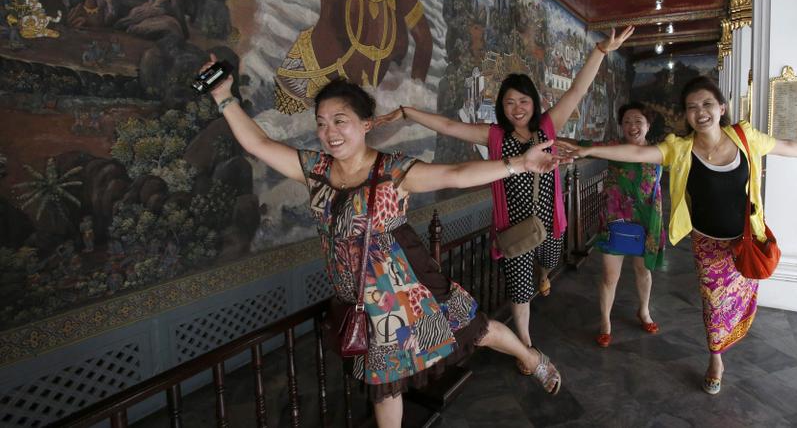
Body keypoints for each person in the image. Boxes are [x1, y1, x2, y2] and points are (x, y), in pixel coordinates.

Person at [204, 57, 562, 428]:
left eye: (340, 121)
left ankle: (532, 358)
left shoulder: (393, 171)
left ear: (365, 125)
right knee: (385, 385)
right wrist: (223, 96)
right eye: (322, 124)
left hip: (412, 284)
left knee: (477, 329)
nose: (330, 132)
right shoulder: (316, 170)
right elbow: (258, 143)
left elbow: (456, 174)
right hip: (363, 297)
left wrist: (520, 164)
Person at [556, 76, 797, 395]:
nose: (700, 112)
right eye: (691, 107)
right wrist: (582, 150)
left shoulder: (745, 137)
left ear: (721, 108)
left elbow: (785, 146)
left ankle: (722, 341)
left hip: (744, 238)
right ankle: (715, 358)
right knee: (713, 303)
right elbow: (636, 154)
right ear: (685, 116)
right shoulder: (680, 148)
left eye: (707, 104)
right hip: (707, 243)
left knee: (740, 299)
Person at [375, 26, 634, 359]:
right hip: (512, 229)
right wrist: (409, 112)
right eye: (509, 102)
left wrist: (599, 51)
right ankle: (525, 343)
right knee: (520, 289)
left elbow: (576, 92)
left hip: (548, 223)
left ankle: (544, 273)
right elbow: (452, 127)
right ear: (501, 106)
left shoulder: (547, 128)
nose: (517, 107)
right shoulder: (494, 135)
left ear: (534, 102)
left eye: (523, 100)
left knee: (551, 261)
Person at [591, 102, 665, 348]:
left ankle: (644, 311)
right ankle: (605, 322)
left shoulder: (659, 151)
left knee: (644, 271)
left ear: (647, 124)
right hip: (615, 219)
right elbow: (586, 147)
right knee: (610, 276)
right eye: (627, 122)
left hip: (646, 222)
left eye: (638, 121)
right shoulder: (614, 148)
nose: (632, 126)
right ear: (621, 126)